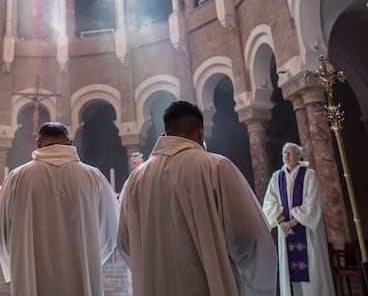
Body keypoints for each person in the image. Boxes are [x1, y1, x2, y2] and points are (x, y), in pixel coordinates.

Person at [118, 100, 277, 296]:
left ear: (165, 133)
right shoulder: (216, 167)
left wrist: (153, 271)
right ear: (201, 133)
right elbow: (248, 237)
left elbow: (125, 243)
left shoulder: (135, 180)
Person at [0, 122, 119, 296]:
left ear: (38, 143)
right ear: (70, 143)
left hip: (31, 274)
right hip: (81, 273)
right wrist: (91, 257)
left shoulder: (17, 177)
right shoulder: (93, 176)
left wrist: (20, 260)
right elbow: (113, 229)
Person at [262, 142, 335, 296]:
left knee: (313, 269)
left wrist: (294, 221)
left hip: (307, 232)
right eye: (284, 153)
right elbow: (269, 202)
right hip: (286, 232)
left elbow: (313, 201)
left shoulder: (309, 175)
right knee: (290, 274)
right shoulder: (277, 177)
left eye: (291, 153)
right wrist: (282, 222)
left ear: (299, 156)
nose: (287, 156)